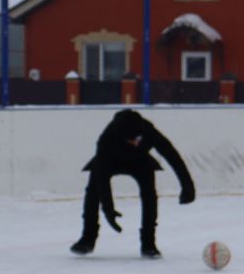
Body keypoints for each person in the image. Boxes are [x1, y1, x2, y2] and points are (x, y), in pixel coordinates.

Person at [71, 109, 195, 258]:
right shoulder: (107, 138)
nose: (136, 142)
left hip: (140, 162)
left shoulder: (149, 131)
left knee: (150, 195)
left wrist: (187, 185)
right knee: (93, 190)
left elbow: (172, 156)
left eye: (139, 138)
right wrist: (108, 209)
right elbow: (102, 177)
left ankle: (149, 243)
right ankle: (87, 239)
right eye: (132, 140)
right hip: (110, 161)